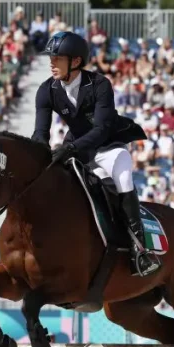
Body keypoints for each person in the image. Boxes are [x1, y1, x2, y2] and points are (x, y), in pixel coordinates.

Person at [31, 30, 160, 277]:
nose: (51, 63)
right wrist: (39, 156)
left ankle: (140, 250)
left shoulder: (100, 85)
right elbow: (40, 134)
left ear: (76, 61)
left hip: (109, 148)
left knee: (123, 180)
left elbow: (101, 130)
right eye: (51, 57)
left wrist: (70, 148)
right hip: (79, 151)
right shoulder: (46, 90)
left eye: (57, 58)